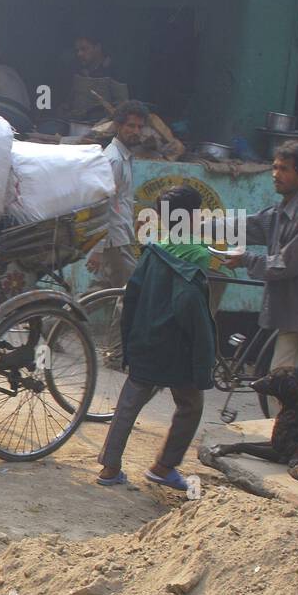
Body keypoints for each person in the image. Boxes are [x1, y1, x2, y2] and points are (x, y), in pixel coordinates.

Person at [97, 185, 216, 491]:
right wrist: (203, 356)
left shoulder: (153, 249)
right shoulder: (198, 254)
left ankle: (109, 469)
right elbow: (194, 310)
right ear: (193, 216)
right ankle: (164, 467)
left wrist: (129, 340)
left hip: (146, 340)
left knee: (128, 405)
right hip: (177, 347)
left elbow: (131, 297)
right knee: (190, 404)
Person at [222, 141, 298, 410]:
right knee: (279, 384)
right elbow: (243, 226)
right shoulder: (281, 210)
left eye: (284, 169)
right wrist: (189, 225)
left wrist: (246, 259)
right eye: (274, 167)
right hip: (290, 313)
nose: (276, 174)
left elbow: (287, 264)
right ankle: (285, 443)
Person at [86, 98, 148, 290]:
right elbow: (101, 204)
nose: (136, 131)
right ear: (118, 126)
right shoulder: (114, 160)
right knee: (130, 293)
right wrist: (97, 249)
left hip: (118, 237)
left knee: (100, 291)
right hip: (115, 240)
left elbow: (120, 199)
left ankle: (59, 320)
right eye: (131, 126)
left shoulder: (124, 157)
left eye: (140, 127)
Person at [65, 33, 129, 121]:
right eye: (77, 50)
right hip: (74, 123)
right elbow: (69, 101)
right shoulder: (77, 70)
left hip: (101, 128)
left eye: (84, 49)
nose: (79, 54)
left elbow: (122, 104)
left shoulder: (113, 71)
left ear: (98, 47)